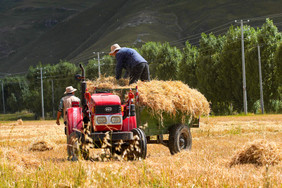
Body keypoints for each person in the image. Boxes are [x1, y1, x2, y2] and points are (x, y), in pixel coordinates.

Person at [56, 86, 80, 159]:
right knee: (77, 137)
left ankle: (70, 155)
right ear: (73, 92)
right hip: (77, 120)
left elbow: (60, 110)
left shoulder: (63, 100)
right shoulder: (78, 99)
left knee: (69, 137)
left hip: (68, 120)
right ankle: (77, 154)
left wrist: (57, 119)